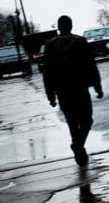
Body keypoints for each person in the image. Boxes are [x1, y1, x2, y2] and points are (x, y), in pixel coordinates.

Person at [42, 15, 104, 166]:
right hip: (80, 88)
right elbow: (91, 65)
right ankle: (78, 146)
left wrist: (50, 96)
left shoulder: (49, 46)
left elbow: (47, 72)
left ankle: (78, 147)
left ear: (59, 27)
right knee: (86, 120)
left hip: (62, 91)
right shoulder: (80, 41)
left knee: (72, 122)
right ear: (70, 25)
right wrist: (97, 87)